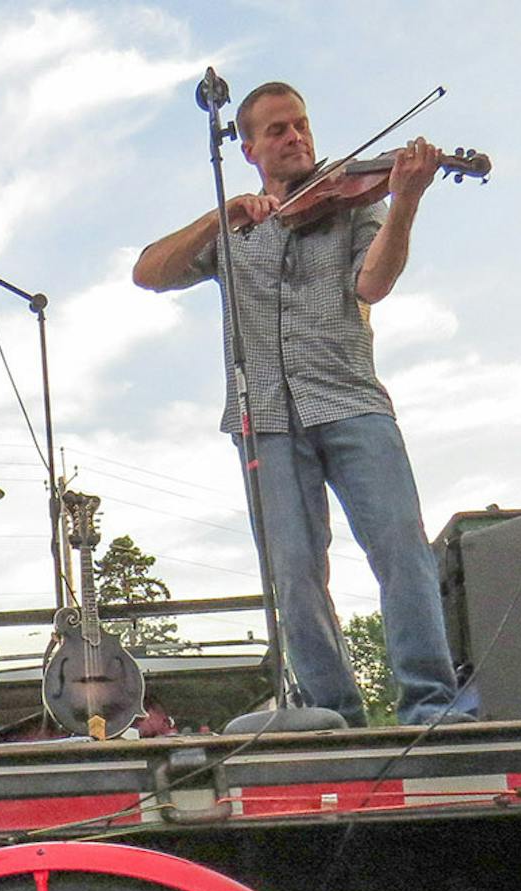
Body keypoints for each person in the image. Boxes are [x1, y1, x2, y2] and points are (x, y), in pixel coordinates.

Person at [132, 81, 466, 728]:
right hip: (264, 417)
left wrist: (406, 200)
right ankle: (332, 713)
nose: (296, 139)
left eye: (301, 125)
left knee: (401, 549)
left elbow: (374, 280)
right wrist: (218, 218)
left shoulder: (351, 202)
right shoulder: (236, 227)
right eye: (278, 131)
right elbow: (149, 272)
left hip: (348, 397)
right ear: (250, 147)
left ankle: (430, 702)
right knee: (294, 575)